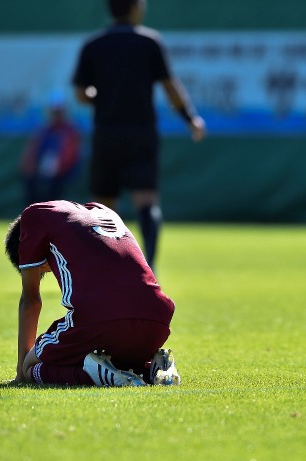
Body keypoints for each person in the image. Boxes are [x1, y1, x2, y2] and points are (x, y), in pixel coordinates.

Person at [71, 0, 206, 272]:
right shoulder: (149, 42)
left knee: (102, 207)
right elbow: (170, 87)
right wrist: (191, 119)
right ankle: (150, 267)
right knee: (147, 201)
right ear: (134, 8)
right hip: (141, 133)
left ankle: (104, 268)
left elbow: (81, 94)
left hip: (107, 134)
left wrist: (103, 95)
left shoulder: (94, 44)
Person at [4, 200, 181, 387]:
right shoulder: (103, 211)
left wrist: (21, 371)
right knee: (115, 360)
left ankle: (96, 375)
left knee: (31, 368)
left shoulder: (34, 215)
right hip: (157, 318)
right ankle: (153, 369)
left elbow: (31, 301)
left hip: (99, 316)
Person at [19, 95, 81, 206]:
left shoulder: (70, 131)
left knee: (55, 186)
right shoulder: (43, 130)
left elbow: (70, 156)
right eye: (54, 112)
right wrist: (30, 167)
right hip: (41, 170)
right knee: (30, 181)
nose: (56, 115)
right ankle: (33, 212)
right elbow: (32, 152)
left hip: (63, 172)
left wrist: (58, 168)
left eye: (59, 112)